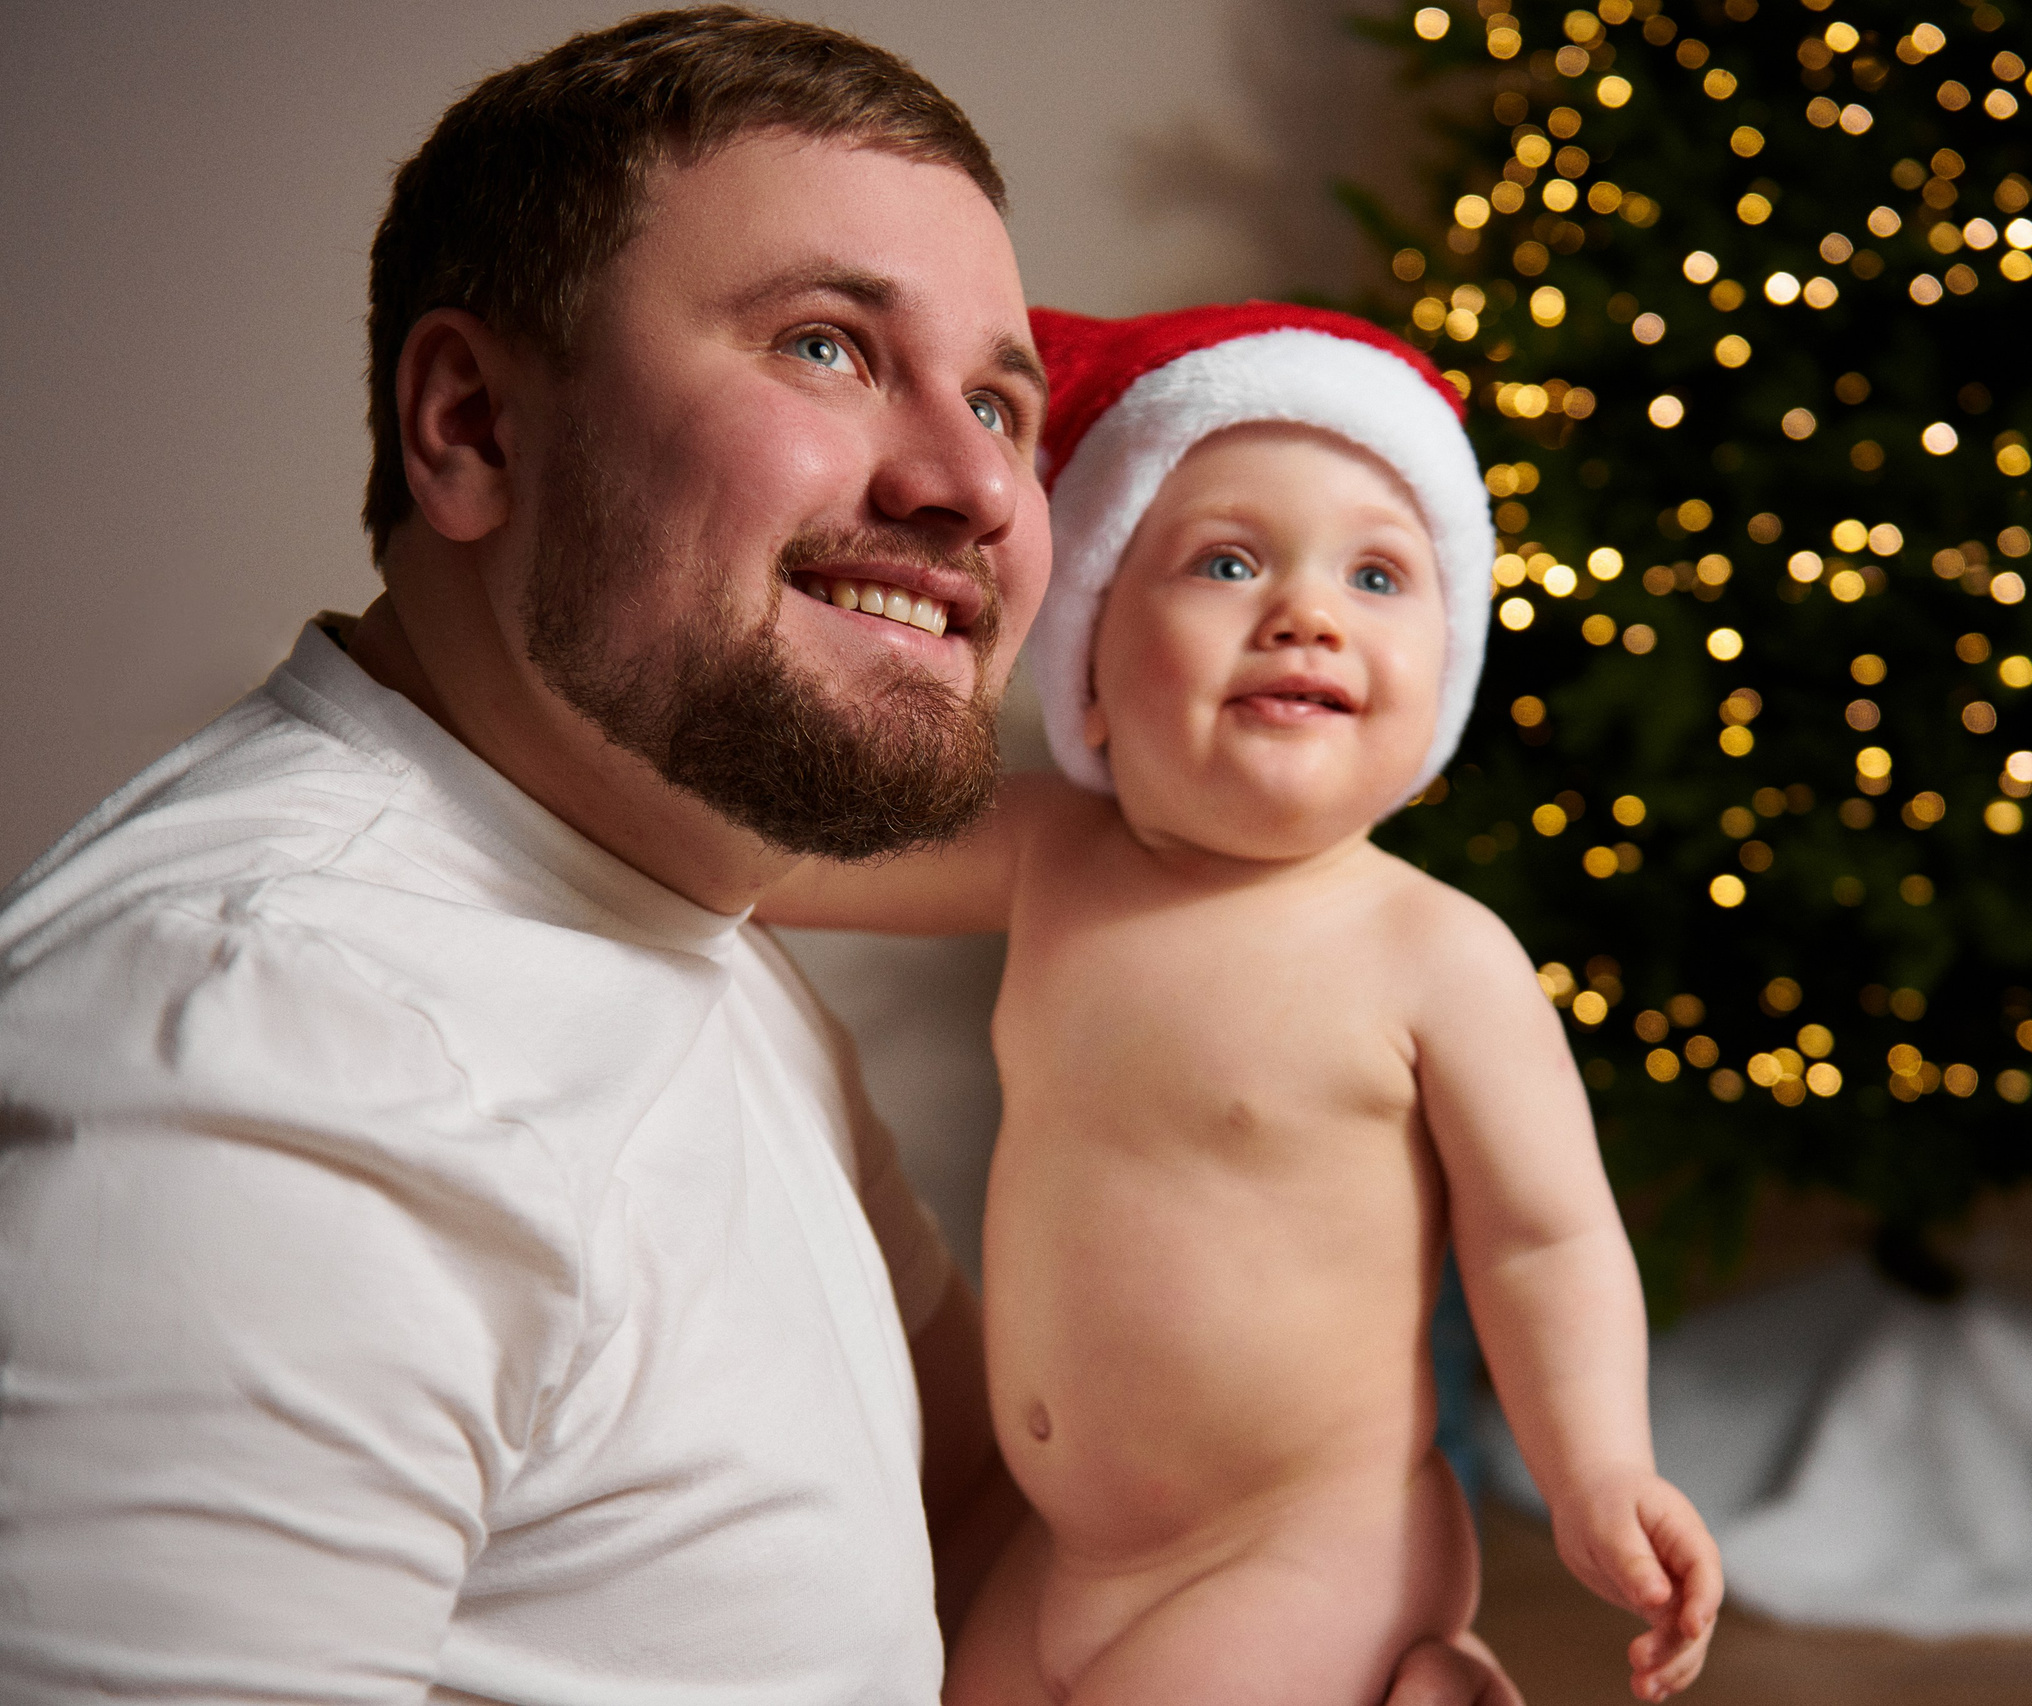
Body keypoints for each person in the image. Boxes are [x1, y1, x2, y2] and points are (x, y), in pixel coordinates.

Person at [0, 12, 1510, 1701]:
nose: (974, 489)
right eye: (826, 348)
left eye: (1002, 403)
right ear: (474, 427)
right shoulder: (267, 1061)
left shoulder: (672, 904)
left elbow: (979, 1521)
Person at [759, 302, 1723, 1703]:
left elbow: (1542, 1240)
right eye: (1227, 559)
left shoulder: (1434, 951)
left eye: (1381, 576)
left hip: (1297, 1549)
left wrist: (1601, 1469)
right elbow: (781, 859)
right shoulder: (1047, 853)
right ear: (1088, 657)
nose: (1308, 611)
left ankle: (1416, 1663)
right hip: (1071, 1545)